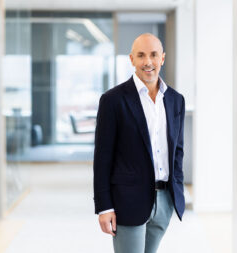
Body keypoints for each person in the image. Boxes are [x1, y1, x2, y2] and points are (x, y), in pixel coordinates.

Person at [93, 33, 185, 253]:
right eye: (141, 55)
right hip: (128, 200)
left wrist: (176, 190)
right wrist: (104, 206)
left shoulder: (175, 100)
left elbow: (178, 152)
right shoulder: (113, 100)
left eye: (153, 55)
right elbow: (103, 157)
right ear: (132, 59)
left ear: (162, 58)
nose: (148, 62)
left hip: (164, 201)